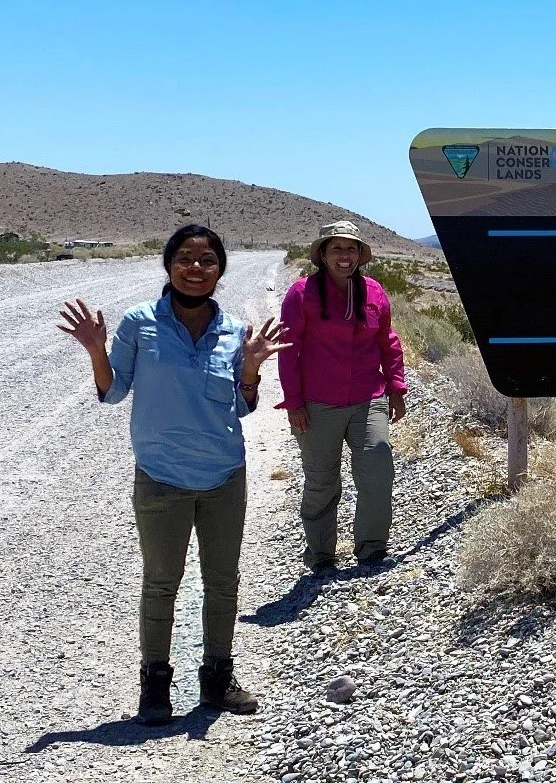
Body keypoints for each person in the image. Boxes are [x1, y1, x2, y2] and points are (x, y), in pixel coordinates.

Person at [57, 224, 286, 725]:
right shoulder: (140, 323)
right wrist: (96, 350)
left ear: (220, 270)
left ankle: (218, 679)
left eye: (207, 261)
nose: (196, 269)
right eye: (185, 258)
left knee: (223, 582)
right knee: (162, 582)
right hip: (160, 475)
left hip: (225, 473)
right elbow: (114, 392)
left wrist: (251, 370)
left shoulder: (232, 331)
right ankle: (155, 686)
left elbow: (243, 408)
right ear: (168, 265)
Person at [277, 220, 407, 574]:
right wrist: (294, 403)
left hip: (368, 397)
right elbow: (288, 350)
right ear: (323, 254)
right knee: (321, 480)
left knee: (378, 468)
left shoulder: (375, 292)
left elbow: (388, 343)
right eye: (336, 249)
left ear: (360, 255)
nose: (344, 256)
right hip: (318, 403)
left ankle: (372, 547)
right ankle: (321, 554)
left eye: (351, 249)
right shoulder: (301, 293)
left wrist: (396, 388)